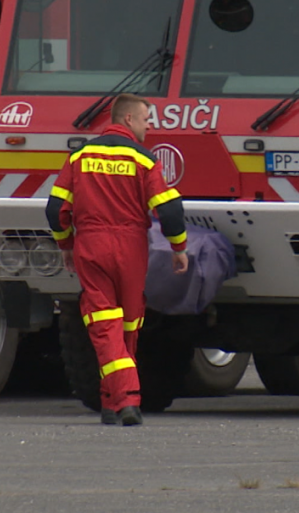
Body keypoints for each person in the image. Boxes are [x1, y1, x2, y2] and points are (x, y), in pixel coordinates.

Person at [46, 93, 189, 426]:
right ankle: (126, 400)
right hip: (130, 246)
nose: (149, 127)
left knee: (106, 323)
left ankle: (113, 400)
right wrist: (178, 247)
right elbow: (169, 208)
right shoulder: (144, 159)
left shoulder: (80, 156)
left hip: (91, 245)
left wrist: (66, 244)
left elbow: (56, 209)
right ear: (128, 120)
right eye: (146, 120)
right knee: (125, 323)